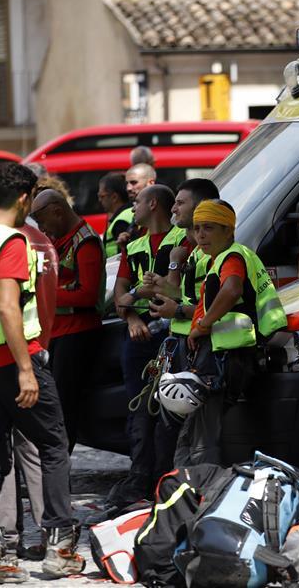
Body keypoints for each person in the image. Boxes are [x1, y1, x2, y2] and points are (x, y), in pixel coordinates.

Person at [0, 163, 84, 583]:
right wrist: (27, 369)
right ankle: (60, 548)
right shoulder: (12, 241)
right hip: (15, 358)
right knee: (53, 445)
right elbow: (9, 307)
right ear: (25, 199)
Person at [176, 200, 287, 466]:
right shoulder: (221, 259)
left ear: (228, 231)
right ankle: (184, 487)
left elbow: (232, 290)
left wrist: (203, 325)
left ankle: (199, 492)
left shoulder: (231, 257)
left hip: (223, 359)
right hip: (224, 357)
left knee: (203, 435)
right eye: (197, 228)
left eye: (209, 228)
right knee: (195, 430)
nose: (200, 235)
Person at [110, 184, 185, 506]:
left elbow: (175, 290)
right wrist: (131, 319)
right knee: (139, 410)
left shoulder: (182, 241)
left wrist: (136, 296)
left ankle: (162, 479)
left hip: (171, 335)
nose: (133, 207)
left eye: (138, 202)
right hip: (140, 337)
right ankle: (139, 478)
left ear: (153, 204)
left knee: (169, 410)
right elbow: (119, 297)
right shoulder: (135, 246)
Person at [30, 189, 104, 452]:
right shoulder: (61, 239)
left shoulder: (85, 241)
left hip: (77, 333)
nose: (40, 227)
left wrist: (41, 292)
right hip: (58, 332)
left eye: (41, 220)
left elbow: (87, 294)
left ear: (57, 211)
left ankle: (56, 466)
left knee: (63, 405)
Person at [146, 179, 220, 336]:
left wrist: (177, 310)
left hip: (212, 345)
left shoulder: (218, 252)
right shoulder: (193, 249)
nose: (173, 209)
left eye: (180, 203)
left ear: (201, 206)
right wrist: (162, 288)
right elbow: (190, 297)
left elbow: (219, 308)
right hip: (191, 341)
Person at [98, 172, 132, 258]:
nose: (99, 200)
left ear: (114, 197)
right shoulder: (131, 211)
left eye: (102, 196)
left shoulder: (120, 222)